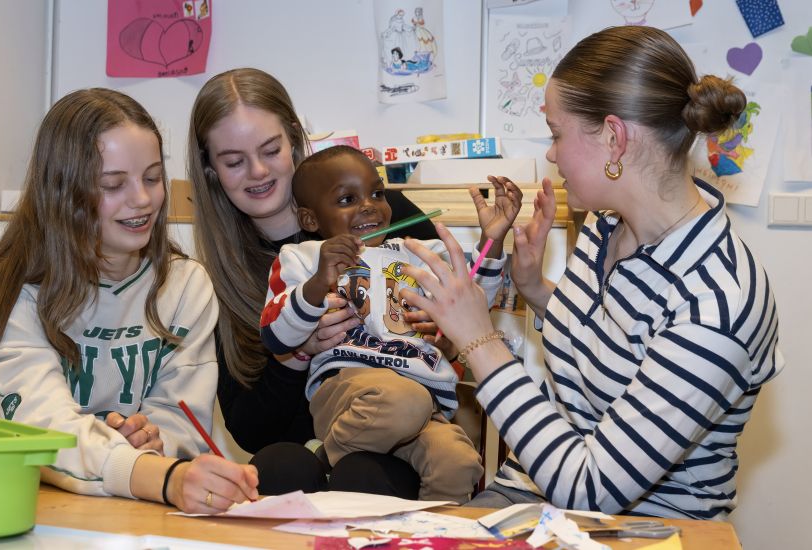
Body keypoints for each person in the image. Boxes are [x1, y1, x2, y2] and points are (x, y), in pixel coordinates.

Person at [398, 26, 784, 519]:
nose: (552, 153)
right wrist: (535, 289)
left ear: (614, 138)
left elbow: (590, 488)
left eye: (557, 134)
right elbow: (616, 345)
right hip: (534, 488)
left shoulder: (719, 304)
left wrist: (480, 342)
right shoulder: (607, 224)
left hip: (641, 526)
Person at [0, 88, 258, 513]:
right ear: (63, 193)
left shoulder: (187, 285)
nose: (142, 199)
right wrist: (162, 476)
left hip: (126, 497)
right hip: (9, 498)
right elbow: (47, 434)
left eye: (153, 178)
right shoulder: (16, 293)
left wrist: (154, 439)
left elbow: (182, 419)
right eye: (112, 185)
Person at [186, 68, 441, 497]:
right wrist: (299, 350)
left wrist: (433, 326)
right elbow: (252, 431)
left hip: (400, 433)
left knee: (364, 473)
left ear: (294, 139)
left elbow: (456, 319)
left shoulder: (376, 210)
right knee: (277, 465)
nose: (258, 171)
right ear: (211, 170)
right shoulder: (221, 276)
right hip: (300, 453)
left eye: (271, 149)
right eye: (233, 161)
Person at [259, 146, 522, 502]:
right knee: (402, 402)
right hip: (351, 391)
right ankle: (329, 460)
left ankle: (429, 540)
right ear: (309, 219)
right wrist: (318, 283)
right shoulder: (303, 258)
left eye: (377, 193)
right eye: (348, 198)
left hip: (425, 402)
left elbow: (470, 298)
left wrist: (492, 240)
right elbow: (275, 336)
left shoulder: (417, 251)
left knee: (459, 463)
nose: (369, 205)